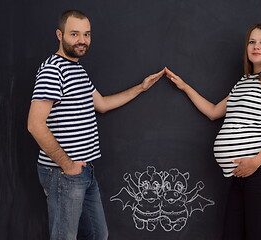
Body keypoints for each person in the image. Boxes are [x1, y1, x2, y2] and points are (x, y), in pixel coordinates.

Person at [27, 10, 165, 240]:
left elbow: (101, 104)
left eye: (86, 34)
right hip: (64, 173)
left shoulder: (77, 70)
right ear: (59, 35)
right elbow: (34, 124)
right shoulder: (54, 70)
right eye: (75, 34)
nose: (82, 40)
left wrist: (141, 88)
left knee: (97, 235)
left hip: (85, 171)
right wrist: (68, 165)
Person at [165, 22, 261, 240]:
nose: (256, 46)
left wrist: (255, 162)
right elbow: (214, 111)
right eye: (252, 42)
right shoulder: (243, 83)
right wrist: (185, 87)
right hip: (241, 175)